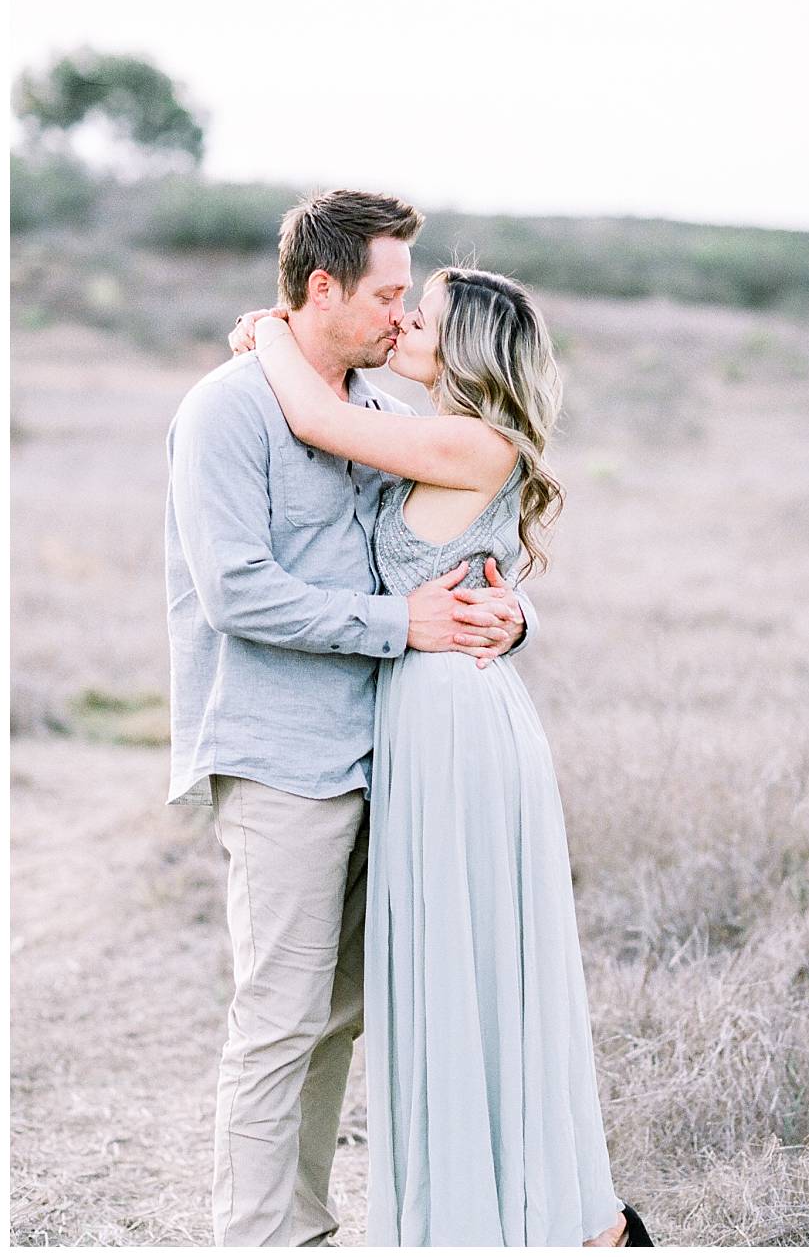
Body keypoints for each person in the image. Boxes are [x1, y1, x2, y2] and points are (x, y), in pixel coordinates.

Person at [233, 257, 654, 1247]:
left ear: (457, 348)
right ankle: (500, 1210)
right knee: (448, 966)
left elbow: (319, 422)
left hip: (456, 725)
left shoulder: (468, 438)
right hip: (431, 715)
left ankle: (540, 1219)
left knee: (469, 964)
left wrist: (271, 336)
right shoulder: (441, 433)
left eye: (416, 320)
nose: (399, 330)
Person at [165, 190, 538, 1247]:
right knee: (277, 1022)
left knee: (340, 1014)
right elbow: (236, 589)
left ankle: (308, 1226)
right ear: (320, 288)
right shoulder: (227, 409)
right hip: (283, 754)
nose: (400, 313)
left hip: (391, 755)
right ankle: (256, 1238)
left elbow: (458, 538)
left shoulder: (382, 415)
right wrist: (403, 623)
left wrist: (509, 616)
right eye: (385, 293)